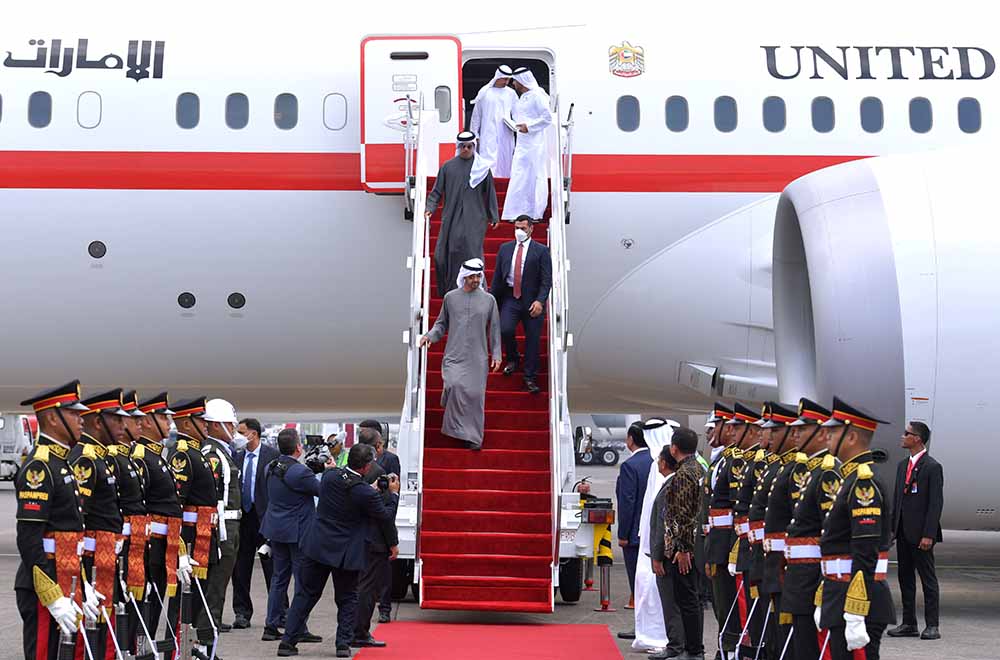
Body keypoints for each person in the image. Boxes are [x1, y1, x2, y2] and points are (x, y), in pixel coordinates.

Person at [278, 444, 400, 658]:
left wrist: (369, 489)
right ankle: (342, 645)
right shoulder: (365, 494)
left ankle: (287, 642)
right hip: (346, 552)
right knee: (347, 598)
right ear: (367, 466)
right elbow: (384, 515)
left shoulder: (331, 476)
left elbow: (348, 487)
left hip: (318, 546)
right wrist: (393, 495)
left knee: (305, 595)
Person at [14, 380, 95, 660]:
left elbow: (70, 536)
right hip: (45, 586)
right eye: (74, 414)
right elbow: (29, 537)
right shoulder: (40, 465)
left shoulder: (61, 463)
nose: (81, 420)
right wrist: (52, 595)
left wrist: (84, 585)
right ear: (52, 417)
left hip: (66, 580)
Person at [817, 397, 895, 660]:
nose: (825, 435)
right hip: (840, 592)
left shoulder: (863, 482)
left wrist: (856, 609)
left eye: (833, 431)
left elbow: (865, 548)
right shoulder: (849, 478)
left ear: (851, 437)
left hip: (857, 599)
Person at [70, 388, 131, 660]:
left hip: (104, 557)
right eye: (116, 419)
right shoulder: (85, 459)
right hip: (90, 561)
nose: (123, 425)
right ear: (97, 421)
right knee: (90, 630)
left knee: (104, 626)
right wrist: (83, 579)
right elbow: (77, 520)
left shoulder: (100, 458)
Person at [420, 258, 502, 450]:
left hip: (478, 356)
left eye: (478, 276)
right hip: (454, 354)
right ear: (464, 276)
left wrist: (496, 354)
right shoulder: (450, 297)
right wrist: (430, 335)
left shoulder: (489, 300)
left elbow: (495, 330)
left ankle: (473, 438)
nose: (475, 280)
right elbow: (441, 323)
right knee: (453, 384)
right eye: (472, 276)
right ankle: (452, 409)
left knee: (474, 396)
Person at [782, 398, 835, 660]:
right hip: (799, 574)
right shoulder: (810, 471)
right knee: (800, 642)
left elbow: (831, 529)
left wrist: (824, 579)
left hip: (811, 575)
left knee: (809, 646)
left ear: (820, 432)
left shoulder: (826, 473)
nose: (795, 434)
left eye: (802, 429)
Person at [168, 397, 221, 655]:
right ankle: (178, 650)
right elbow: (175, 506)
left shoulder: (196, 452)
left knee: (197, 601)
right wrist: (180, 551)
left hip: (203, 536)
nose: (207, 424)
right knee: (184, 604)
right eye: (201, 420)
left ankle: (190, 648)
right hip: (190, 540)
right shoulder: (182, 455)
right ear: (186, 424)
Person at [136, 392, 190, 644]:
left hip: (161, 546)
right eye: (164, 418)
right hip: (147, 548)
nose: (170, 424)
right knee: (143, 614)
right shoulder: (141, 458)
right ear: (147, 421)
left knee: (153, 611)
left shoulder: (156, 456)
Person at [259, 429, 321, 643]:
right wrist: (327, 470)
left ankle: (271, 624)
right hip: (297, 531)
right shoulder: (300, 472)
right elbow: (320, 490)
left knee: (279, 578)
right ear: (298, 447)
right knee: (301, 581)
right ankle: (298, 627)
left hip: (276, 528)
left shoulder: (271, 466)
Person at [425, 131, 500, 297]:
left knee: (472, 253)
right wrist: (430, 207)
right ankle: (452, 290)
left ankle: (479, 291)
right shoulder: (447, 167)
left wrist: (493, 215)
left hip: (475, 219)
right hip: (451, 216)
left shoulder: (482, 169)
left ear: (474, 147)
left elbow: (490, 193)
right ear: (458, 147)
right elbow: (437, 191)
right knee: (444, 255)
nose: (466, 149)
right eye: (463, 146)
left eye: (469, 146)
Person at [887, 420, 943, 641]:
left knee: (927, 579)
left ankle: (932, 625)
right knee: (905, 578)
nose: (902, 437)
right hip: (903, 532)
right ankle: (909, 622)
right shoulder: (902, 466)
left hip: (921, 534)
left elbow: (935, 504)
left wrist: (928, 534)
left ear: (917, 439)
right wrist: (893, 530)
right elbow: (898, 499)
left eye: (906, 434)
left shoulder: (932, 467)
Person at [658, 427, 707, 660]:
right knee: (692, 599)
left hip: (685, 547)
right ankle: (693, 648)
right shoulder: (699, 468)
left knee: (687, 599)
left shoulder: (684, 474)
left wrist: (683, 549)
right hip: (695, 543)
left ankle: (693, 650)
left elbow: (684, 515)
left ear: (674, 448)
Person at [490, 215, 552, 394]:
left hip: (532, 300)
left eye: (523, 228)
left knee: (533, 339)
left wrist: (540, 300)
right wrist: (492, 300)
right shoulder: (505, 249)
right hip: (511, 297)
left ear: (531, 229)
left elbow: (546, 280)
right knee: (505, 330)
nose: (519, 232)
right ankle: (513, 358)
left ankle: (530, 376)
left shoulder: (541, 251)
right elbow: (497, 277)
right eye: (517, 228)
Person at [200, 398, 244, 636]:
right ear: (216, 425)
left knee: (223, 578)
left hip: (231, 524)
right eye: (230, 424)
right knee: (216, 581)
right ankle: (207, 629)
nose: (234, 430)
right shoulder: (212, 453)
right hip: (222, 526)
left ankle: (212, 622)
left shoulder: (222, 452)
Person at [632, 419, 675, 653]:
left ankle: (658, 637)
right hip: (649, 538)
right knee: (645, 586)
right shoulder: (655, 463)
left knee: (654, 589)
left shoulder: (664, 464)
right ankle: (647, 634)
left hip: (657, 541)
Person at [113, 390, 152, 653]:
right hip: (115, 552)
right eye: (134, 420)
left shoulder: (128, 458)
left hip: (133, 548)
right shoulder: (113, 459)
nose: (141, 425)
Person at [232, 417, 280, 629]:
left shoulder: (272, 456)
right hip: (243, 519)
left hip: (264, 519)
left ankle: (278, 612)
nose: (238, 437)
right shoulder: (236, 456)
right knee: (240, 568)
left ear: (254, 433)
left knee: (272, 566)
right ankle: (242, 612)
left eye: (241, 432)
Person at [615, 421, 653, 639]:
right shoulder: (656, 461)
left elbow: (627, 502)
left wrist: (622, 534)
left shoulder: (630, 465)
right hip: (651, 533)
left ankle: (641, 627)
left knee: (637, 584)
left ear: (631, 439)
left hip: (635, 536)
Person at [359, 419, 400, 623]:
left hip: (379, 524)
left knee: (383, 573)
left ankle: (384, 608)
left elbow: (393, 488)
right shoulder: (357, 461)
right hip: (369, 526)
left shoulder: (390, 460)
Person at [501, 67, 553, 222]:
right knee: (520, 175)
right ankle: (515, 212)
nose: (513, 84)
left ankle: (534, 212)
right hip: (523, 143)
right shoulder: (523, 97)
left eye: (515, 81)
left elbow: (547, 118)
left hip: (534, 144)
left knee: (533, 176)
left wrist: (528, 127)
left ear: (521, 81)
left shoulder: (537, 96)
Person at [649, 445, 683, 659]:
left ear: (663, 462)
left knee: (671, 605)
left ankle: (675, 647)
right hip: (673, 554)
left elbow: (663, 526)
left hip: (667, 557)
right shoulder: (672, 484)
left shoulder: (669, 486)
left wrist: (657, 557)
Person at [470, 64, 516, 177]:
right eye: (504, 79)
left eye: (508, 79)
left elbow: (518, 113)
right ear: (498, 77)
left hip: (506, 133)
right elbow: (477, 115)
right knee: (488, 159)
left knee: (505, 159)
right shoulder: (485, 92)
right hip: (488, 133)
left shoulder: (511, 93)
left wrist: (517, 125)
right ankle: (489, 183)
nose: (506, 82)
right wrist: (475, 133)